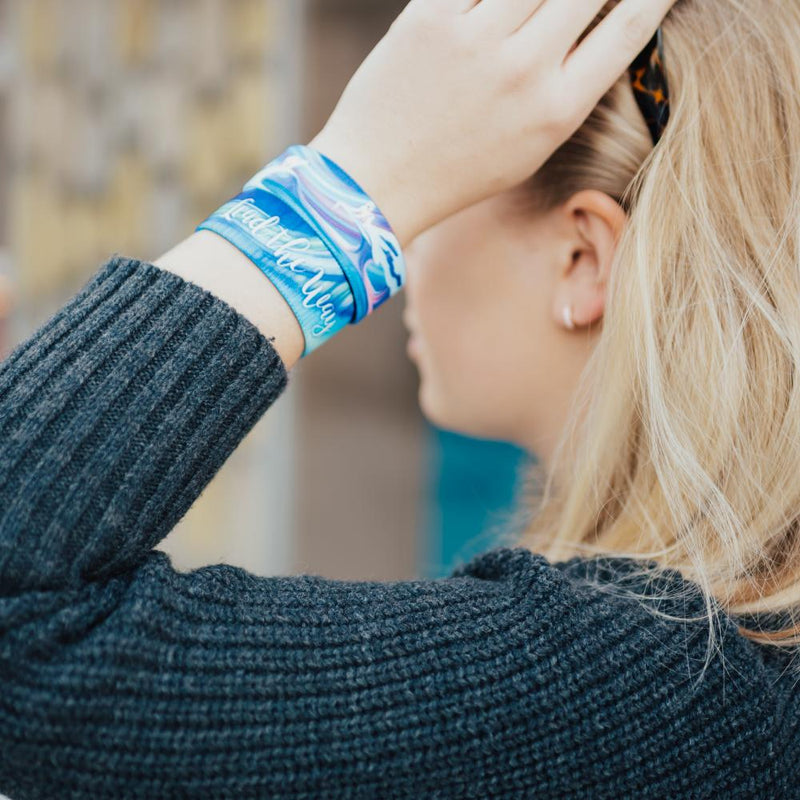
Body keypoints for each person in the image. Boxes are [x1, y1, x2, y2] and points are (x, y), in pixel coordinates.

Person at [0, 0, 796, 797]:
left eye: (441, 187)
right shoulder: (724, 682)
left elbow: (21, 640)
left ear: (584, 258)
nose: (402, 253)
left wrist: (342, 187)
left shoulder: (656, 691)